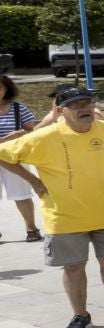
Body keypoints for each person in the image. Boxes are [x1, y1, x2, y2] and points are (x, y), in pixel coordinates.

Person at [0, 86, 104, 328]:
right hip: (64, 215)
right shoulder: (43, 137)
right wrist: (33, 181)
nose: (85, 109)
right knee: (73, 267)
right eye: (76, 105)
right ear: (60, 110)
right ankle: (80, 315)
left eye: (88, 103)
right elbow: (3, 155)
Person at [0, 73, 42, 243]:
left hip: (15, 156)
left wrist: (19, 133)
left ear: (6, 89)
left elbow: (35, 130)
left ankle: (31, 228)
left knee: (21, 195)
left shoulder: (19, 108)